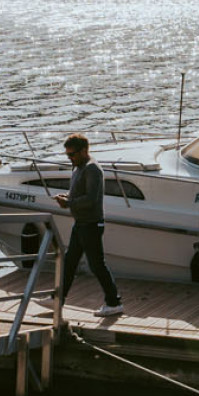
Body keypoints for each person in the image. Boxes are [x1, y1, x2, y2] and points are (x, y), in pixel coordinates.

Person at [55, 134, 124, 317]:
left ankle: (114, 302)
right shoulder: (78, 167)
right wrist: (67, 197)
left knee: (97, 265)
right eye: (67, 155)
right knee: (70, 263)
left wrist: (68, 203)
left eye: (73, 154)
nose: (70, 158)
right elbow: (79, 193)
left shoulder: (92, 169)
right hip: (81, 223)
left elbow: (91, 199)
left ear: (84, 150)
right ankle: (58, 300)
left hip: (91, 224)